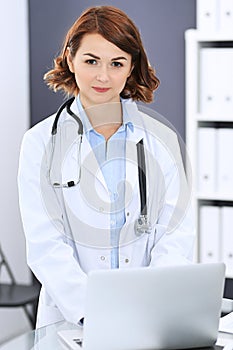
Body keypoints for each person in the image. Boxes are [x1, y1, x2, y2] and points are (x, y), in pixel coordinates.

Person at [18, 5, 195, 329]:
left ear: (131, 67)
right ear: (70, 59)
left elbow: (175, 237)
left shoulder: (163, 142)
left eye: (117, 63)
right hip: (71, 322)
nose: (103, 76)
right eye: (91, 61)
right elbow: (46, 245)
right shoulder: (40, 143)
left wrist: (151, 306)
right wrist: (93, 313)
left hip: (147, 318)